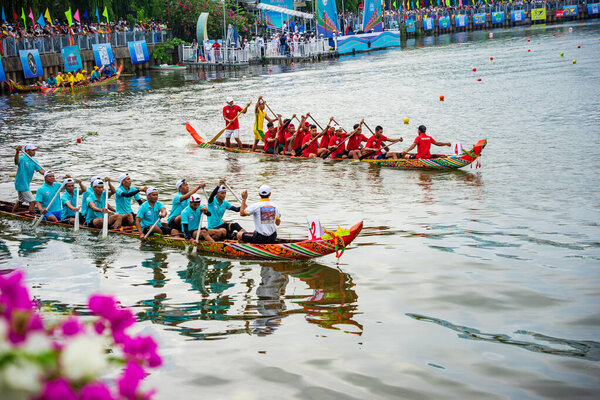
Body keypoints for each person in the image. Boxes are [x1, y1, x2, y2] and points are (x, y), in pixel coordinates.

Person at [13, 144, 45, 213]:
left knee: (20, 201)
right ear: (27, 151)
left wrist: (47, 174)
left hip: (26, 183)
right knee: (32, 202)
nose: (34, 152)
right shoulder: (22, 159)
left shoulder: (34, 160)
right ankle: (32, 217)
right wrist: (17, 152)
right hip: (21, 183)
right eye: (33, 150)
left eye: (35, 150)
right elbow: (16, 161)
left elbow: (40, 170)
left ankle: (13, 213)